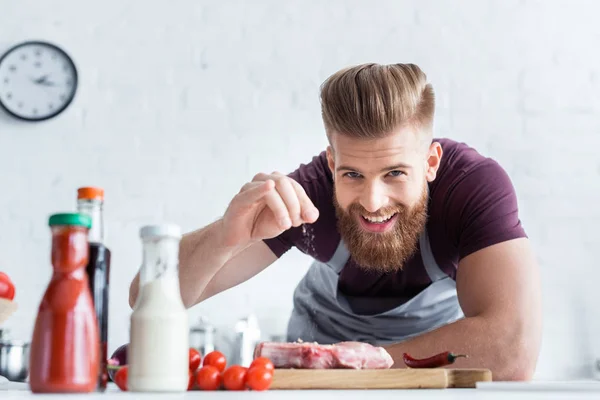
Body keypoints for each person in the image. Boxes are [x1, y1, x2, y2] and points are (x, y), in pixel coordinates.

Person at [129, 63, 542, 381]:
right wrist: (224, 235)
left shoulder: (472, 189)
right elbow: (144, 296)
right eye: (352, 175)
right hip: (317, 361)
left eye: (395, 173)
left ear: (430, 162)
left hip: (427, 363)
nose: (373, 201)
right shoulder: (307, 195)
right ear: (331, 163)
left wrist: (360, 365)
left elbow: (512, 349)